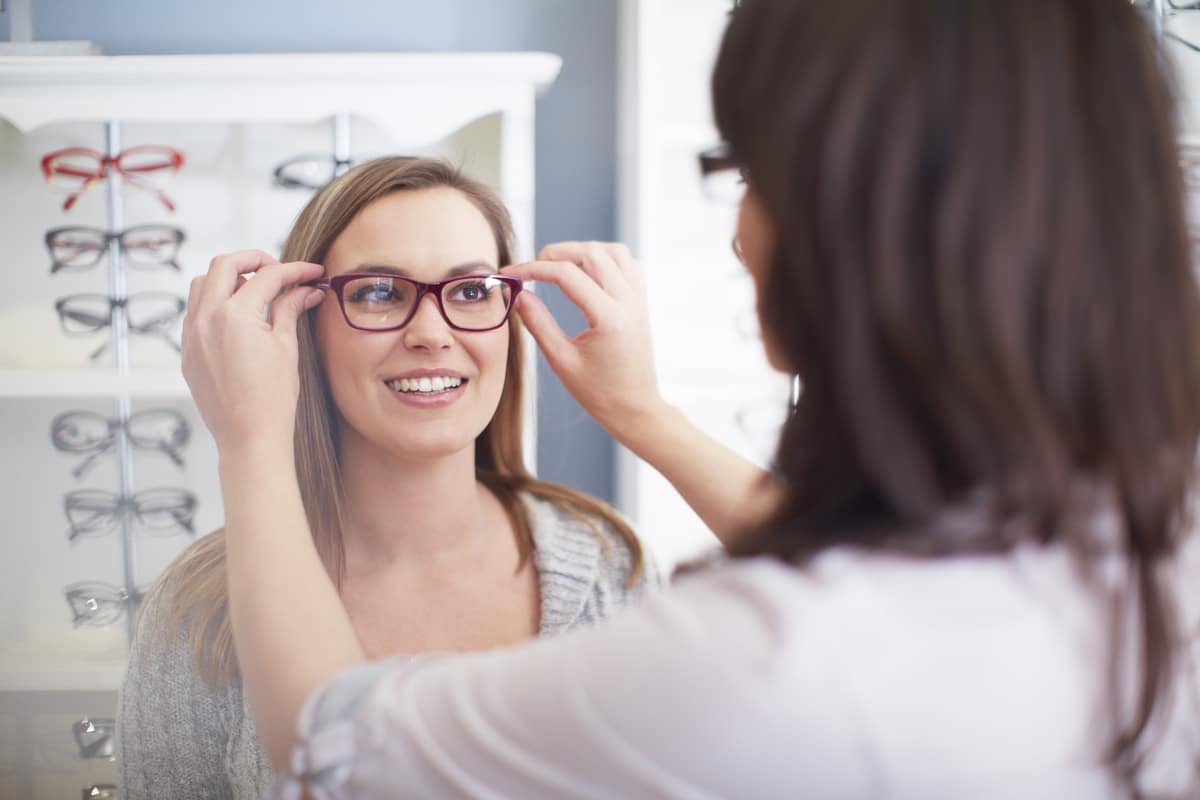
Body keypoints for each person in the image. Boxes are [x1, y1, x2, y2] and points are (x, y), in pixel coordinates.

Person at [183, 0, 1200, 797]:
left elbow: (326, 743)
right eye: (375, 291)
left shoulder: (725, 642)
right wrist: (647, 414)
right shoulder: (1151, 539)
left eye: (745, 172)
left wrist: (250, 444)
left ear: (845, 219)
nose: (735, 231)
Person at [115, 157, 661, 800]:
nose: (431, 334)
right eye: (378, 291)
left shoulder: (608, 566)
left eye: (469, 291)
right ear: (304, 329)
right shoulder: (202, 607)